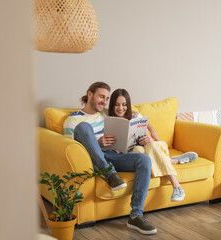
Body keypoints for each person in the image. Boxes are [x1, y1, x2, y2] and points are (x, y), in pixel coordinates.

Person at [63, 82, 157, 235]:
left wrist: (150, 129)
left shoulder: (106, 113)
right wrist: (97, 143)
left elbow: (130, 111)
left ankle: (136, 215)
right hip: (93, 159)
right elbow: (70, 150)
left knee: (144, 160)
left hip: (115, 155)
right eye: (101, 97)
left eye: (107, 99)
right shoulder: (73, 120)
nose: (104, 102)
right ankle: (109, 173)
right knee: (84, 127)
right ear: (90, 94)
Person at [108, 88, 198, 202]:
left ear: (128, 105)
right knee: (138, 152)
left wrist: (149, 138)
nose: (121, 108)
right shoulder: (108, 120)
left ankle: (177, 186)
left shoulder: (135, 117)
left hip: (151, 147)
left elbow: (152, 138)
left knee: (151, 146)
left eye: (124, 105)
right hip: (131, 153)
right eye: (117, 105)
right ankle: (172, 161)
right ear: (112, 105)